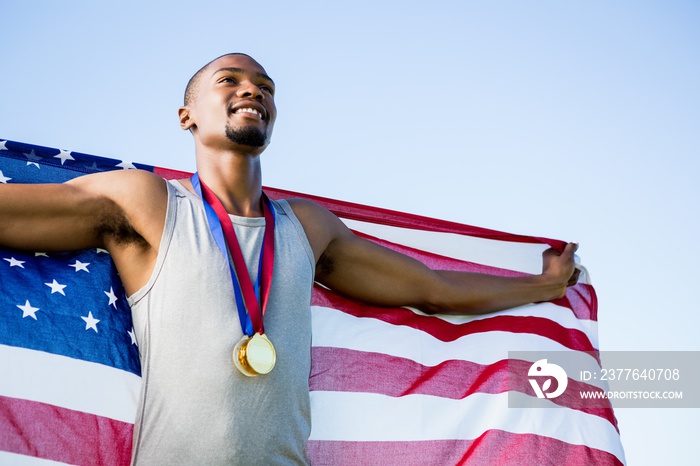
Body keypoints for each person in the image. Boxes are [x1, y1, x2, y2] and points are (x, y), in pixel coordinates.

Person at [0, 53, 579, 464]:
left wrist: (543, 288)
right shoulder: (147, 203)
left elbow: (430, 288)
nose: (252, 90)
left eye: (265, 86)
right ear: (187, 116)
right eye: (229, 80)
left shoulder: (307, 228)